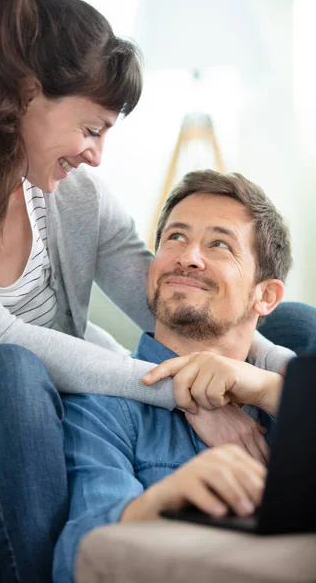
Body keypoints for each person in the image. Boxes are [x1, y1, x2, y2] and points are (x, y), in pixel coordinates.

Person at [0, 0, 310, 580]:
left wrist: (253, 380)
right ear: (27, 96)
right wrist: (191, 392)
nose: (97, 155)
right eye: (93, 128)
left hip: (58, 388)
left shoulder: (75, 197)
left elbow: (168, 294)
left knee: (289, 320)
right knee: (11, 367)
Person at [53, 169, 297, 583]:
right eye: (175, 238)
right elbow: (79, 555)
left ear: (266, 295)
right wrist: (162, 502)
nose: (188, 256)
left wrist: (272, 391)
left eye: (219, 244)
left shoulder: (287, 401)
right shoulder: (101, 408)